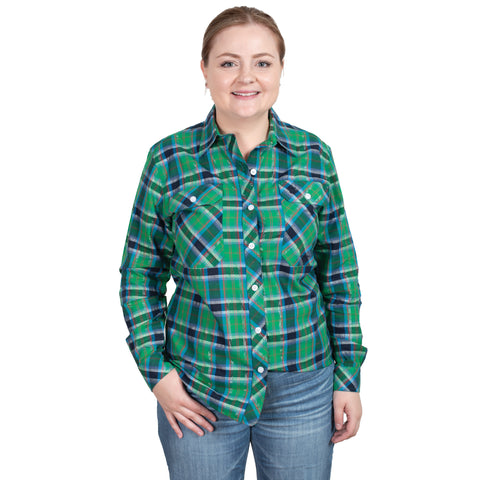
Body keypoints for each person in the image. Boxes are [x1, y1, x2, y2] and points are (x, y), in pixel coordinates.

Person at [119, 6, 367, 480]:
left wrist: (348, 377)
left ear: (280, 70)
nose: (246, 77)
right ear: (204, 69)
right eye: (229, 62)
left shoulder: (314, 157)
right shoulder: (169, 159)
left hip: (303, 387)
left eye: (262, 62)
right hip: (198, 386)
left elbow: (339, 275)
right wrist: (157, 375)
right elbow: (139, 276)